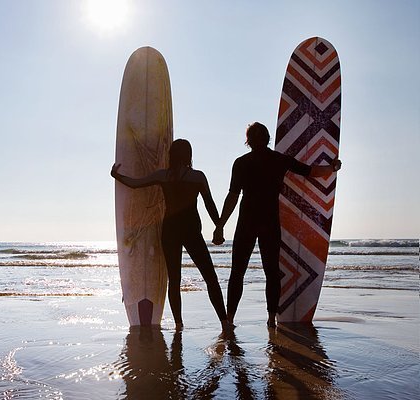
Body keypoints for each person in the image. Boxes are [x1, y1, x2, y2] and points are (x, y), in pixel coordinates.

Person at [214, 122, 341, 328]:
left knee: (238, 271)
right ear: (268, 138)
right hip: (269, 221)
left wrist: (220, 225)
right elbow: (310, 171)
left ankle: (230, 318)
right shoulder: (279, 160)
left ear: (248, 141)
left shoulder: (241, 162)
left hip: (247, 221)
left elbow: (233, 197)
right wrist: (333, 167)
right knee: (271, 271)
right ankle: (271, 318)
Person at [112, 139, 230, 332]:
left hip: (170, 231)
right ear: (189, 155)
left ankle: (178, 324)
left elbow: (135, 184)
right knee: (210, 276)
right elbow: (210, 205)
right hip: (192, 230)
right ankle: (224, 322)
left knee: (174, 280)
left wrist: (116, 175)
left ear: (172, 155)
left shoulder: (164, 176)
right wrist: (219, 227)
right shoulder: (198, 177)